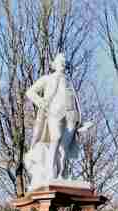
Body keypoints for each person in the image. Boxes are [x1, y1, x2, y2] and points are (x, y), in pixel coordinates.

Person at [25, 53, 90, 189]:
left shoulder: (69, 82)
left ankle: (61, 175)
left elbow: (75, 101)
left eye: (64, 63)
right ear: (54, 65)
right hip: (54, 113)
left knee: (64, 147)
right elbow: (30, 92)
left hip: (71, 115)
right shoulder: (47, 79)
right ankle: (50, 173)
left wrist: (81, 120)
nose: (63, 64)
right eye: (60, 62)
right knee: (56, 139)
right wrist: (42, 103)